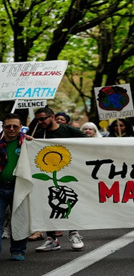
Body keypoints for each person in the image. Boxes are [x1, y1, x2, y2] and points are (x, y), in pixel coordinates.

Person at [33, 107, 86, 252]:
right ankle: (51, 239)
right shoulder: (38, 134)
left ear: (53, 117)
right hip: (47, 175)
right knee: (49, 204)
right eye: (38, 120)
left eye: (43, 118)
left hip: (69, 173)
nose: (40, 122)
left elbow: (89, 144)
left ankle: (74, 233)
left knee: (69, 202)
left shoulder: (69, 131)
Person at [0, 114, 30, 261]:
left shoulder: (28, 143)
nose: (11, 129)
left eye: (15, 126)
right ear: (3, 127)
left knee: (20, 219)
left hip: (19, 187)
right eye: (8, 126)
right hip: (0, 187)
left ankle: (18, 250)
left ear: (20, 127)